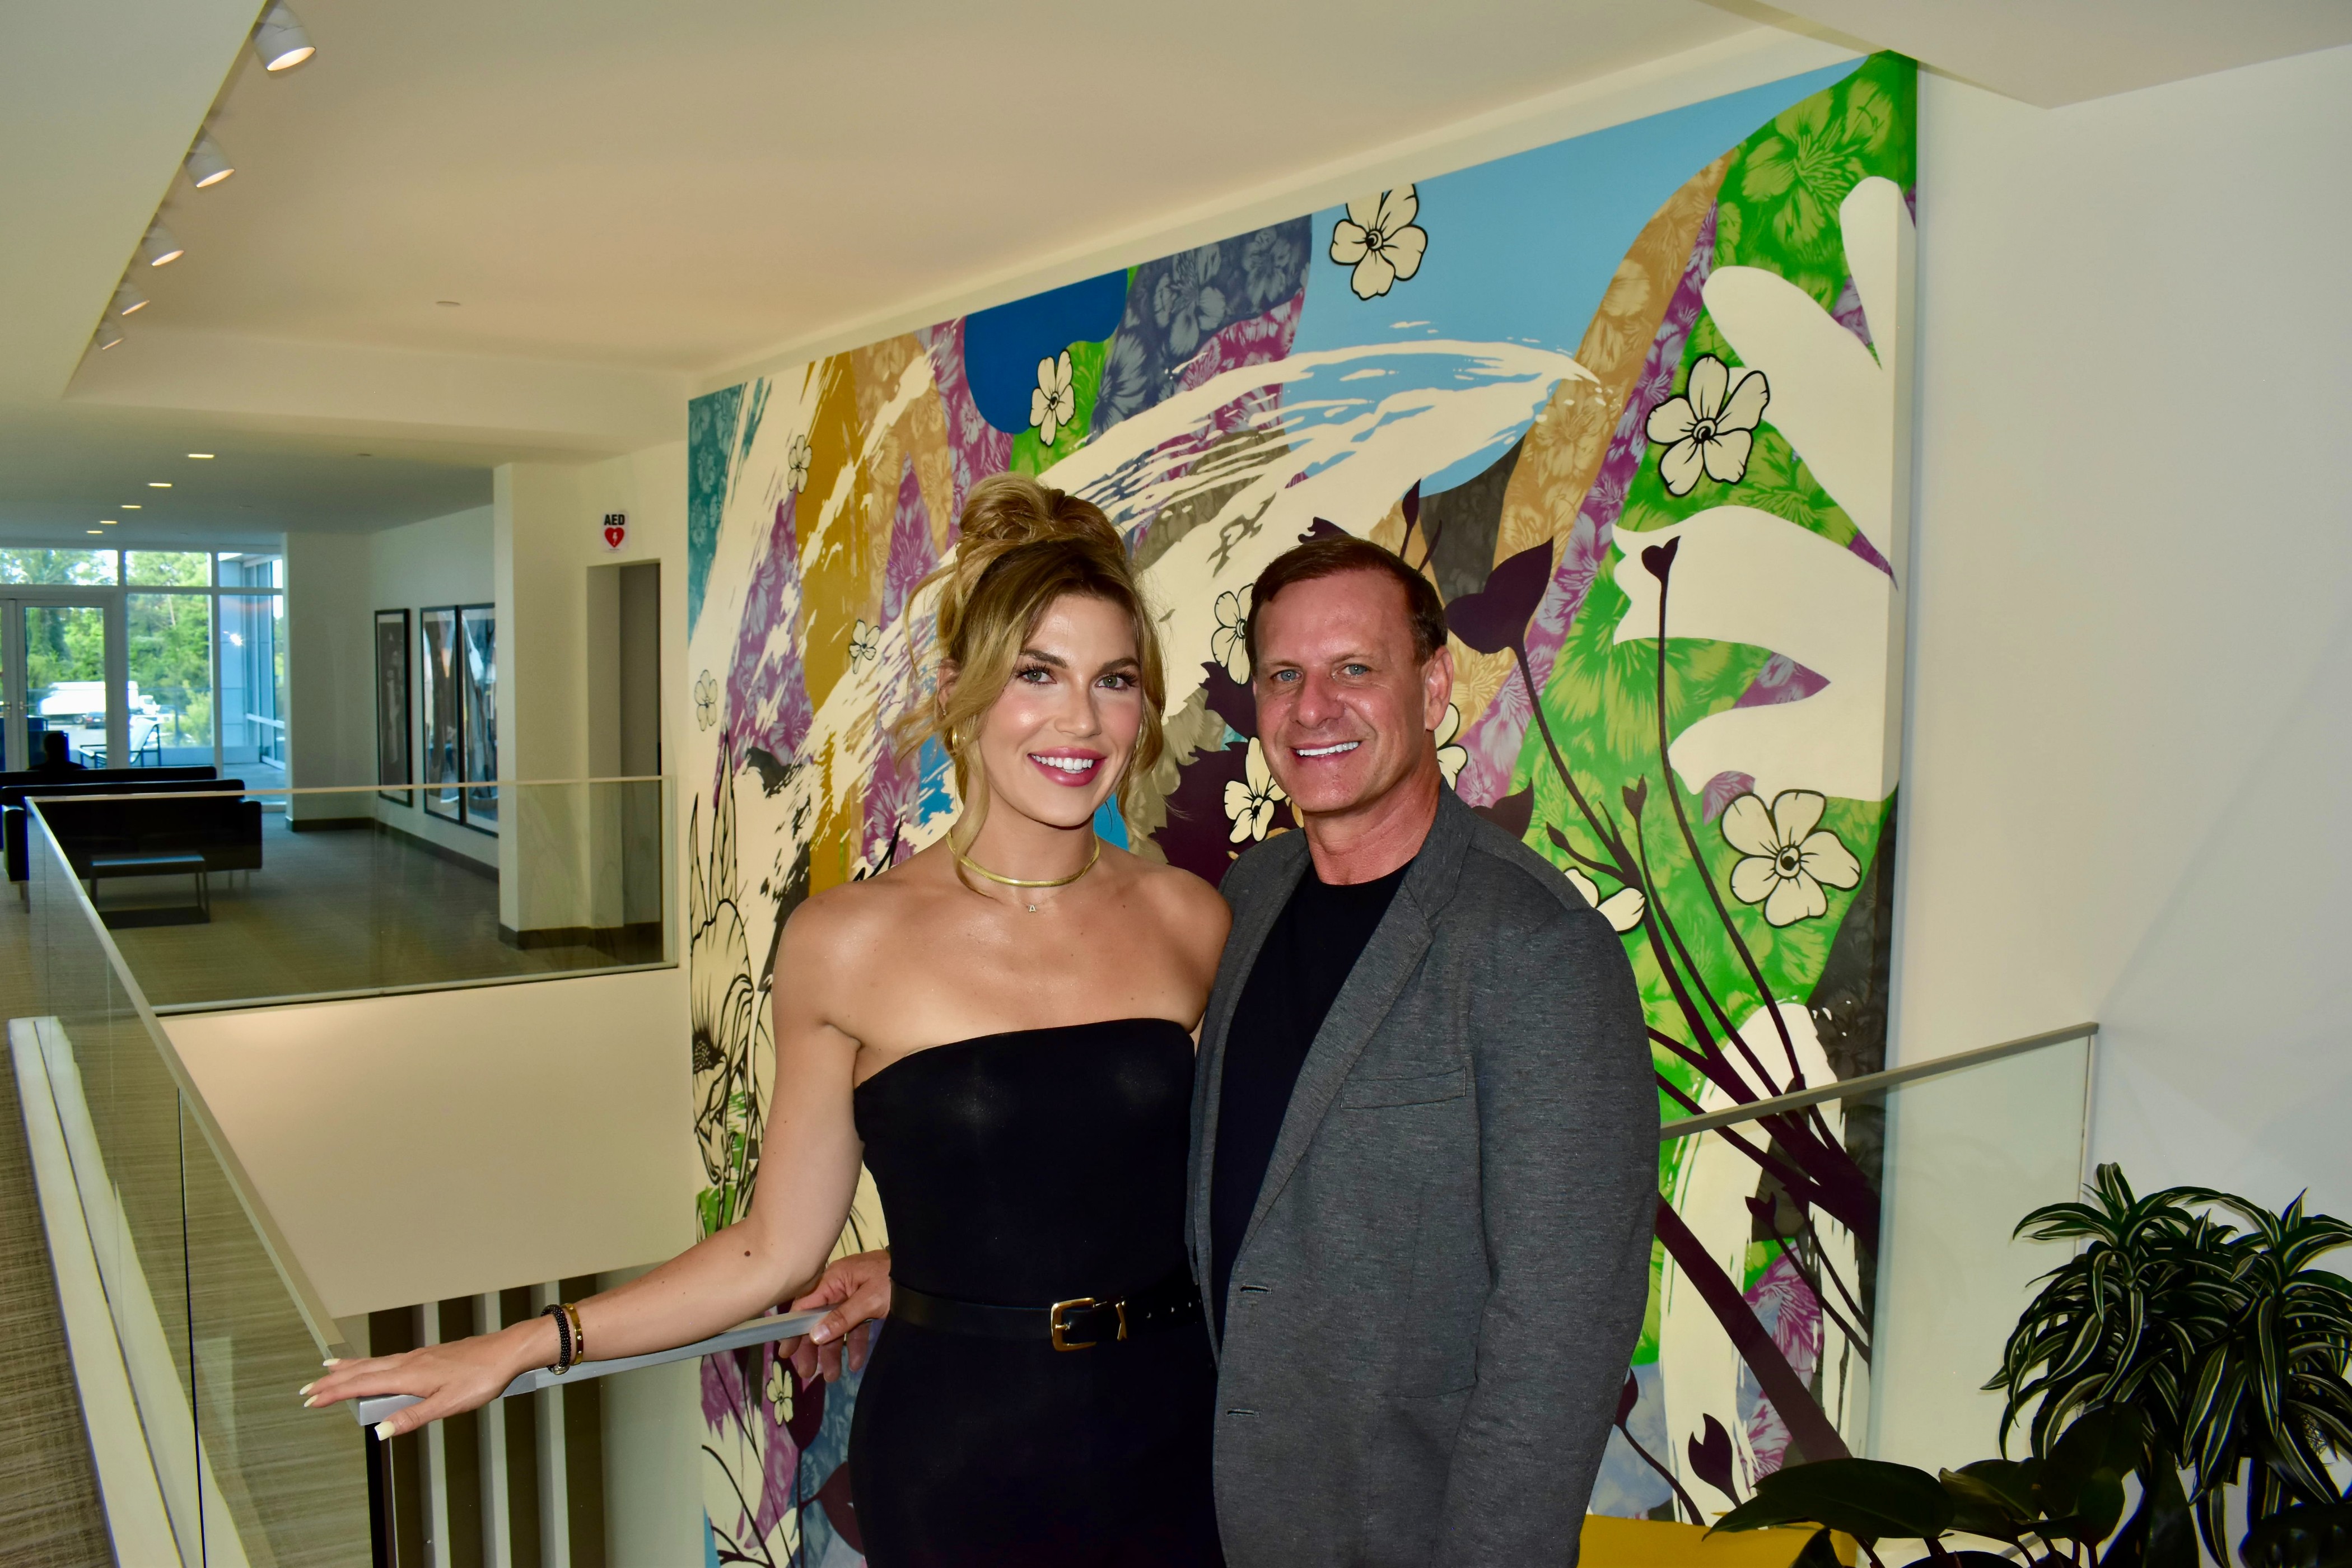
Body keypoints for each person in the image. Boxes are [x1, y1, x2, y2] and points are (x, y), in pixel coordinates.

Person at [304, 474, 1232, 1567]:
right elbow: (770, 1248)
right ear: (958, 692)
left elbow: (1206, 1189)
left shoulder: (1190, 918)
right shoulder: (847, 941)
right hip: (962, 1458)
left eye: (1113, 679)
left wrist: (905, 1259)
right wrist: (525, 1342)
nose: (1080, 720)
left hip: (1174, 1434)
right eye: (1036, 673)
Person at [802, 533, 1656, 1567]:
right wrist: (945, 1264)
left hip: (1400, 1529)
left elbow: (1562, 1333)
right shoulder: (1247, 901)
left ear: (1434, 688)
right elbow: (1204, 1174)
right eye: (1284, 675)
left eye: (1355, 668)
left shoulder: (1536, 948)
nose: (1314, 707)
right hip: (1209, 1505)